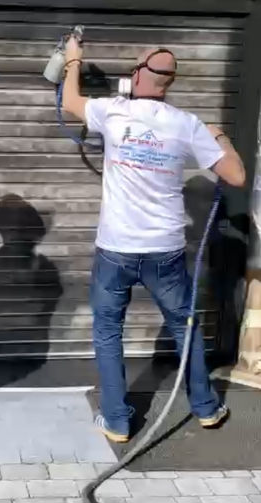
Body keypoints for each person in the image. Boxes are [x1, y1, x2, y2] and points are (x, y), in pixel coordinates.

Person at [62, 38, 246, 443]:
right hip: (165, 251)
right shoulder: (187, 124)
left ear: (137, 74)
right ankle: (206, 408)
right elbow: (236, 175)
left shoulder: (113, 110)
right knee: (184, 326)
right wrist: (219, 137)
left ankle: (117, 421)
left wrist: (74, 58)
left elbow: (69, 102)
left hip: (116, 249)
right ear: (170, 82)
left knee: (108, 330)